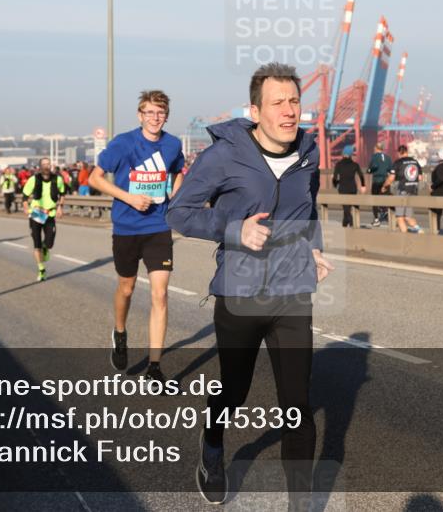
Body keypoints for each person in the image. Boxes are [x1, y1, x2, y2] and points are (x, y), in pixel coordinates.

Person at [166, 63, 333, 506]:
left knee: (297, 404)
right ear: (255, 111)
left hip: (292, 293)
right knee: (233, 392)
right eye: (278, 102)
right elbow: (179, 212)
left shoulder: (309, 152)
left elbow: (306, 208)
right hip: (239, 295)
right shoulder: (224, 155)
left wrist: (313, 248)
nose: (290, 110)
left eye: (295, 100)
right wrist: (234, 229)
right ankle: (212, 447)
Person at [89, 90, 185, 389]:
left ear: (166, 115)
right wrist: (128, 197)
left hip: (158, 227)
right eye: (149, 112)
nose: (155, 118)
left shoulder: (172, 144)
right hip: (127, 228)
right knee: (127, 288)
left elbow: (178, 171)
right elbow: (95, 178)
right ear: (140, 115)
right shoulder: (123, 143)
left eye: (160, 113)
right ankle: (119, 332)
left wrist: (174, 195)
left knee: (160, 295)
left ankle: (154, 367)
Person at [22, 158, 65, 281]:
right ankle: (41, 270)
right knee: (37, 244)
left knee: (50, 242)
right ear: (40, 166)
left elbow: (62, 194)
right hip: (37, 213)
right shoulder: (34, 179)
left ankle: (46, 247)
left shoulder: (58, 179)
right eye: (44, 164)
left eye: (48, 164)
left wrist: (60, 208)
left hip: (50, 213)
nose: (46, 166)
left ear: (51, 166)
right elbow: (25, 196)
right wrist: (25, 207)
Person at [382, 144, 423, 233]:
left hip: (402, 191)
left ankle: (405, 239)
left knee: (400, 217)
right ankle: (419, 231)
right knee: (408, 217)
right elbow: (420, 178)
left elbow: (391, 179)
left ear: (399, 153)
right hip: (413, 191)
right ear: (407, 152)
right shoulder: (415, 162)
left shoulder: (398, 162)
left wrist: (384, 186)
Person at [331, 146, 365, 227]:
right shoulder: (355, 165)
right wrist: (363, 185)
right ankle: (345, 225)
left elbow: (335, 178)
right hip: (352, 189)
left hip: (343, 189)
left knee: (346, 208)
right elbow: (361, 175)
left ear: (343, 154)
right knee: (347, 209)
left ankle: (351, 223)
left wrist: (335, 184)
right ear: (351, 154)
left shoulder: (338, 165)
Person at [367, 142, 393, 226]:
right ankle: (385, 211)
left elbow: (374, 166)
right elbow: (391, 170)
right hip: (385, 181)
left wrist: (369, 170)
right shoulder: (388, 157)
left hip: (377, 181)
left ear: (376, 148)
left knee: (374, 200)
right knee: (385, 198)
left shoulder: (374, 157)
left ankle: (376, 220)